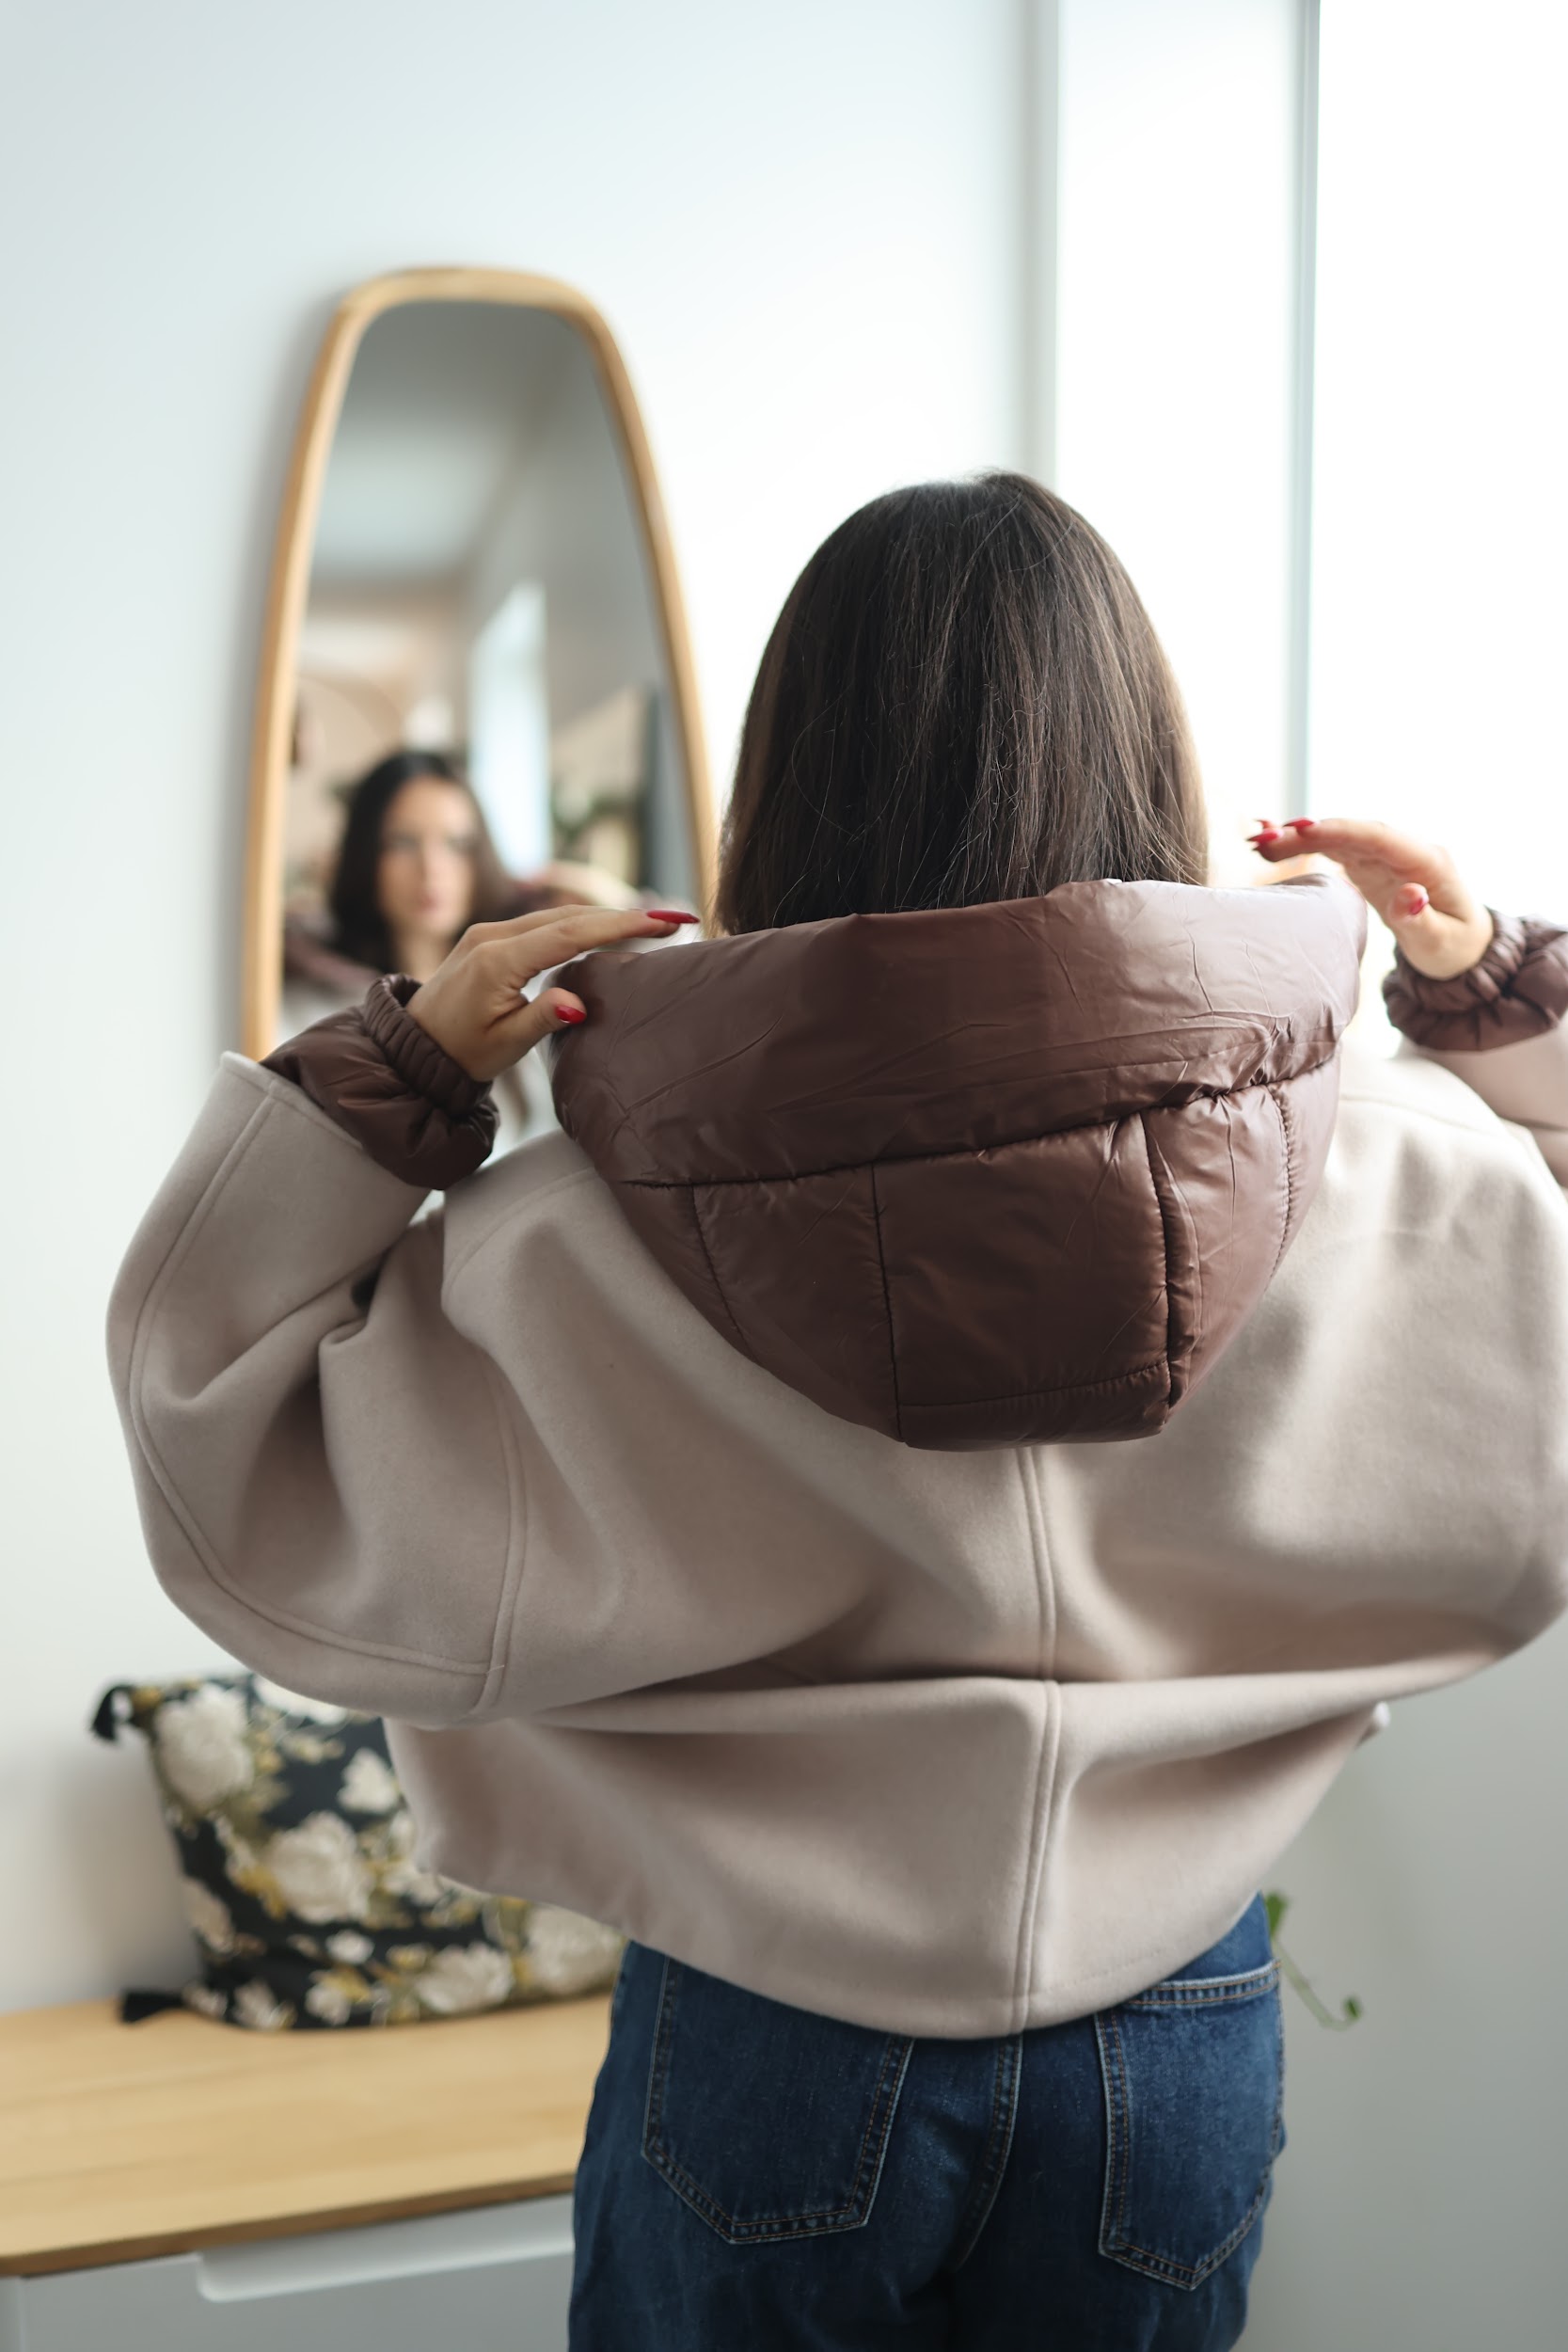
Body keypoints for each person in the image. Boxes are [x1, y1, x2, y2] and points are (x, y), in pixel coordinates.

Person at [109, 476, 1568, 2350]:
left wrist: (378, 1091)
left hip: (768, 2029)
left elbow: (220, 1443)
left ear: (780, 776)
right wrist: (1500, 998)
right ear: (1150, 753)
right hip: (1173, 2034)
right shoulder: (1397, 1178)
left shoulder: (568, 1235)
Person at [282, 747, 641, 1144]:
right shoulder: (312, 1001)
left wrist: (601, 891)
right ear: (365, 852)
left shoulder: (533, 976)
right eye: (402, 842)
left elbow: (673, 954)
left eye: (456, 843)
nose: (431, 868)